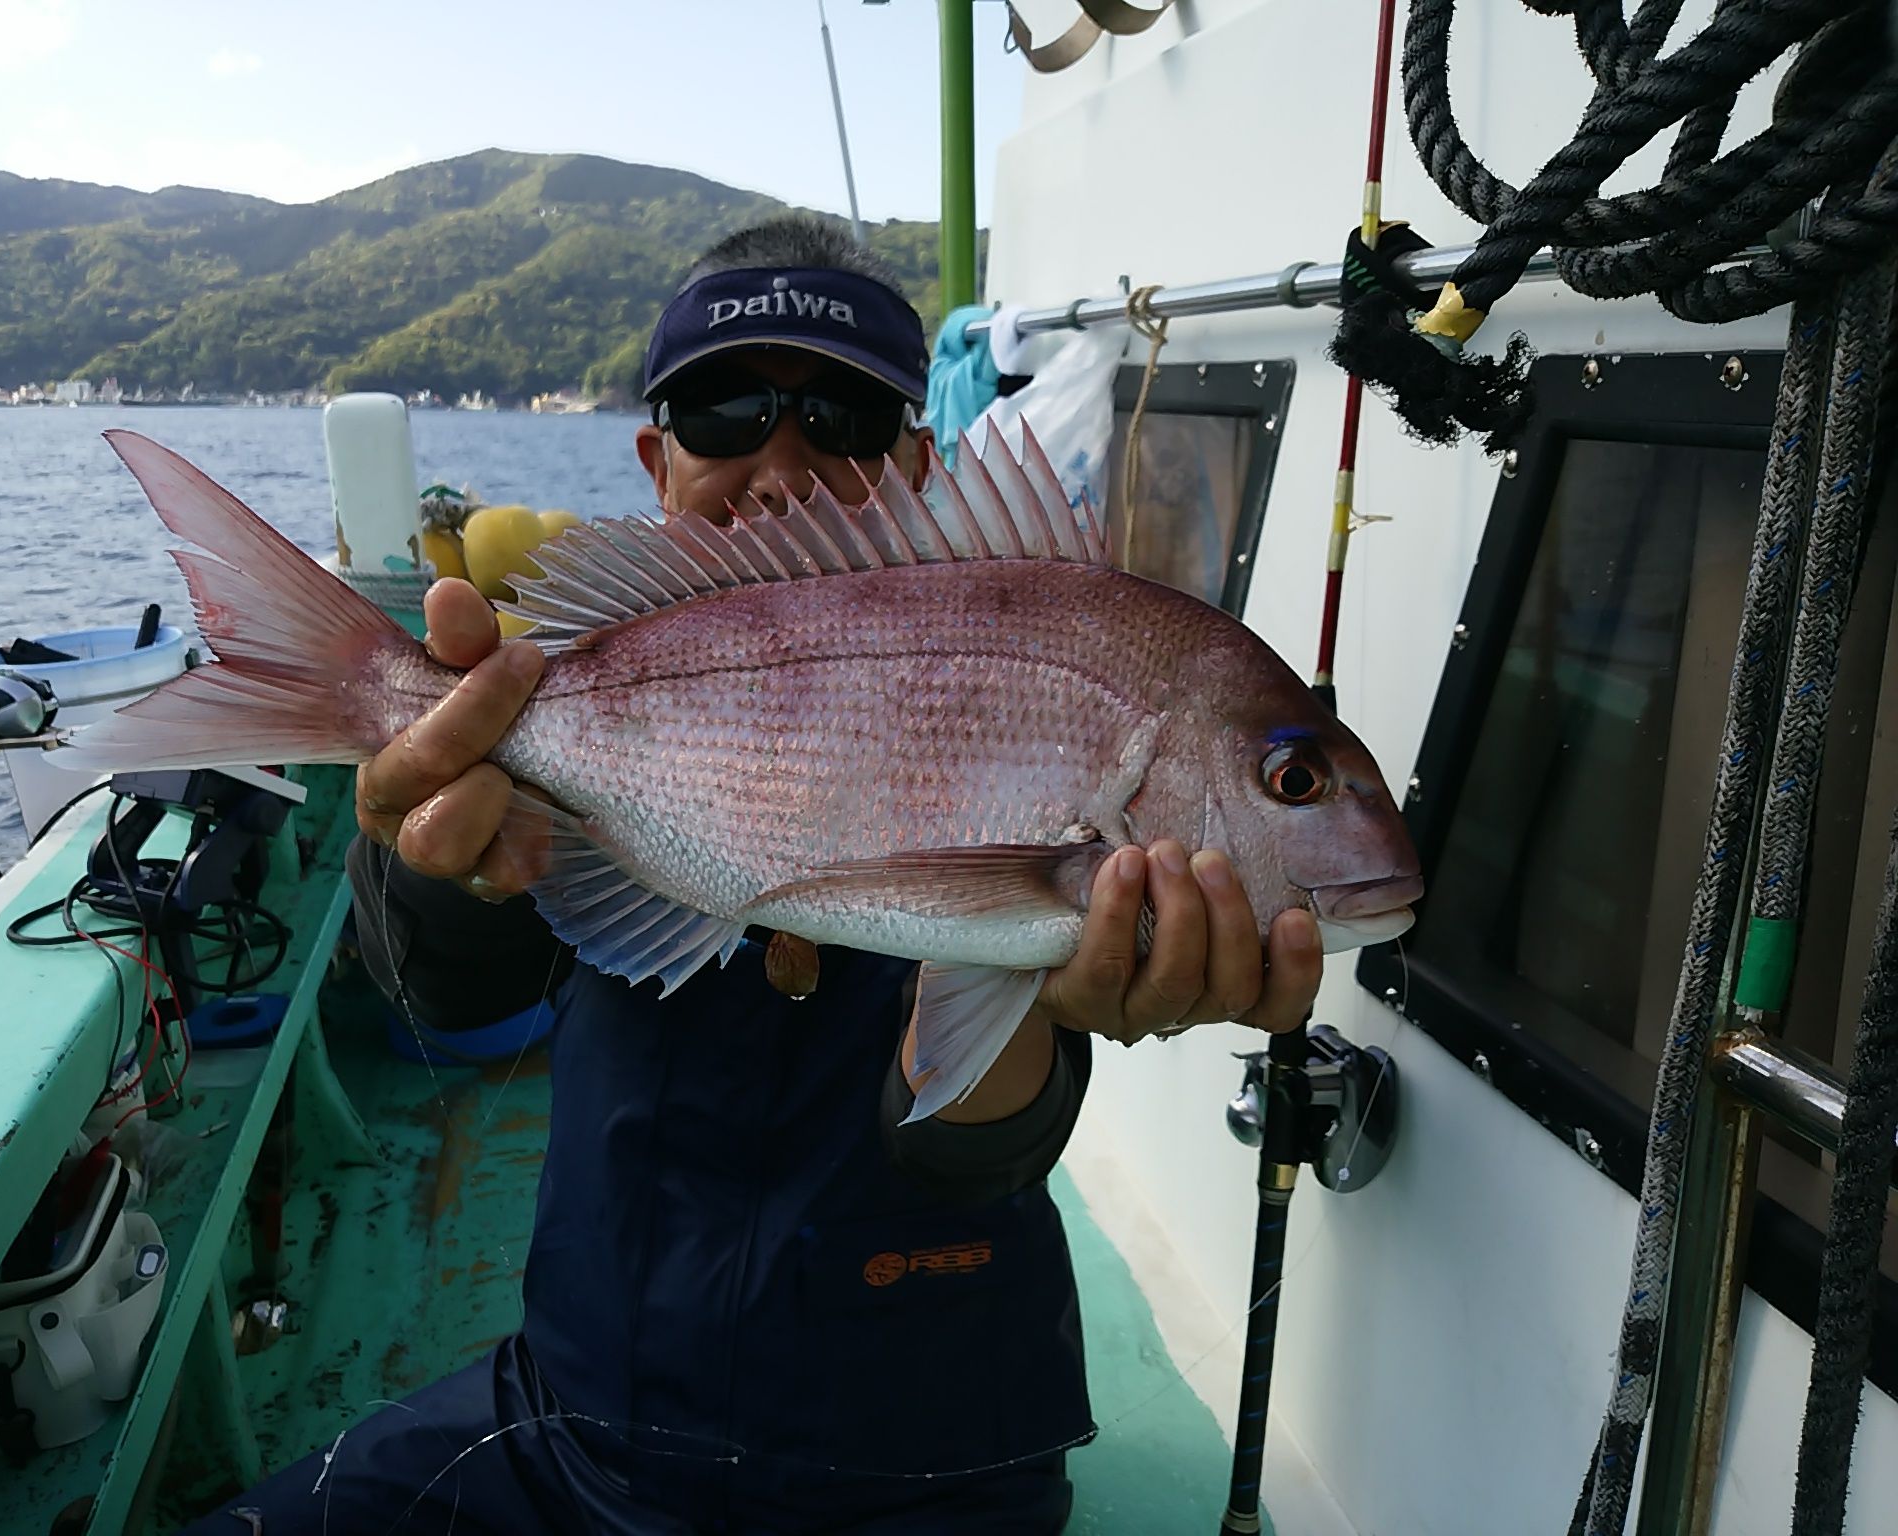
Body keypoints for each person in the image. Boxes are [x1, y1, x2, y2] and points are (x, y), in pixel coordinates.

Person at [184, 215, 1323, 1535]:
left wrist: (1047, 998)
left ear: (917, 461)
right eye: (726, 412)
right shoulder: (568, 690)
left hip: (934, 1461)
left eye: (846, 417)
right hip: (582, 1412)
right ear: (655, 459)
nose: (782, 468)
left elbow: (974, 1155)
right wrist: (441, 855)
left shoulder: (1035, 686)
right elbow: (441, 994)